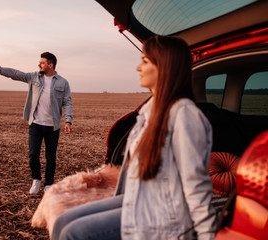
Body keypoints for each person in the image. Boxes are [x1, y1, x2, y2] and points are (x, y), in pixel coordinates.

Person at [51, 36, 217, 239]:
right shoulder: (151, 110)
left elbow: (195, 184)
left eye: (145, 61)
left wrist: (207, 234)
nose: (138, 68)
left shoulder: (184, 115)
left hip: (166, 216)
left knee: (74, 233)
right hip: (141, 198)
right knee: (62, 221)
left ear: (165, 67)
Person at [0, 52, 73, 194]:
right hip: (35, 123)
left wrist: (68, 121)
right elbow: (14, 73)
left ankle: (48, 184)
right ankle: (36, 179)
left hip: (52, 126)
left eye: (42, 62)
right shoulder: (33, 77)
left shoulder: (62, 82)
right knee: (33, 154)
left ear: (50, 65)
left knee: (51, 157)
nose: (38, 64)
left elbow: (67, 102)